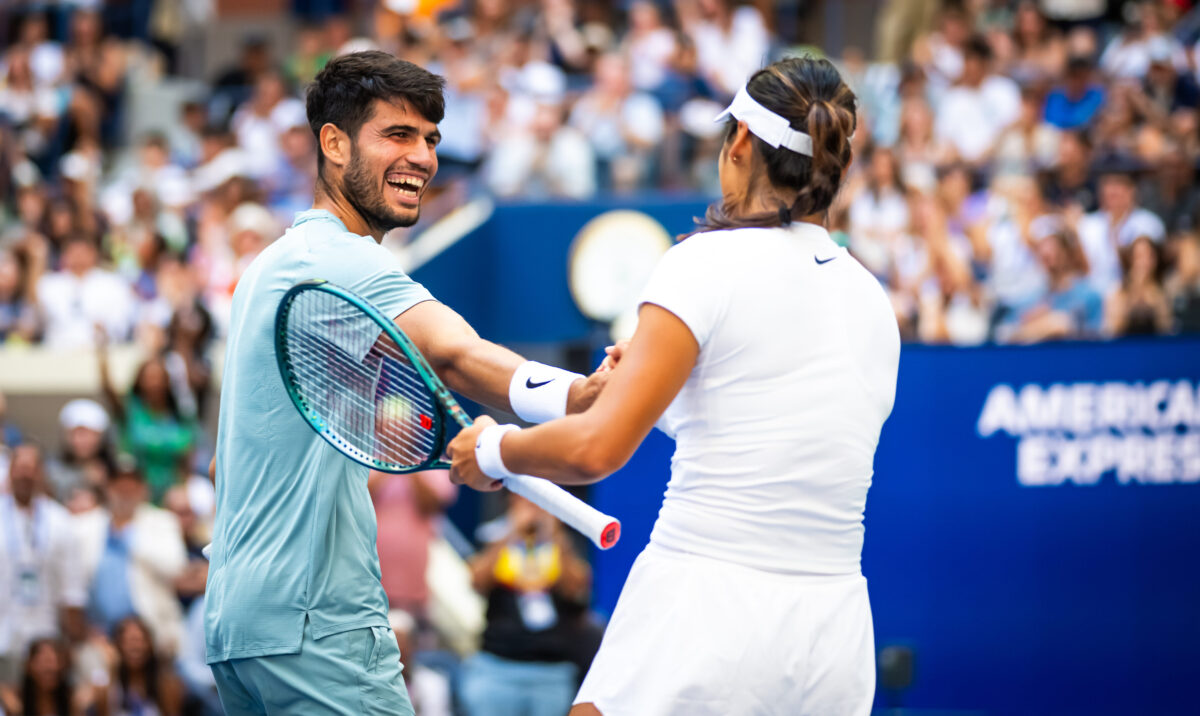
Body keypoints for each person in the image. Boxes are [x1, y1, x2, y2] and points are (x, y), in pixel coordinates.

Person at [448, 56, 899, 715]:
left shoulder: (703, 263)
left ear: (739, 141)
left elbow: (595, 449)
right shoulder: (872, 299)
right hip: (834, 638)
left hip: (706, 606)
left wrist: (494, 451)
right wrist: (652, 385)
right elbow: (755, 416)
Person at [204, 51, 606, 716]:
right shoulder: (340, 257)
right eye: (397, 135)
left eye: (431, 139)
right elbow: (456, 356)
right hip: (316, 625)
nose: (422, 157)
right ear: (334, 144)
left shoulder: (268, 269)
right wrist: (580, 397)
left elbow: (226, 464)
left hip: (239, 626)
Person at [459, 495, 593, 716]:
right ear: (511, 502)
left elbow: (577, 587)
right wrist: (512, 531)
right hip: (497, 669)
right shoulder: (493, 535)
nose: (532, 508)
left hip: (550, 674)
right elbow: (477, 581)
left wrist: (554, 533)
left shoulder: (563, 541)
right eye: (525, 500)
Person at [76, 460, 187, 657]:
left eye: (131, 485)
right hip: (100, 637)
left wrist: (129, 537)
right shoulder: (85, 525)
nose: (125, 491)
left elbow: (176, 567)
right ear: (107, 488)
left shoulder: (162, 521)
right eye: (119, 485)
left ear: (143, 489)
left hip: (151, 633)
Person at [0, 444, 88, 691]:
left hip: (46, 637)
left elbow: (72, 589)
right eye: (20, 467)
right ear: (10, 472)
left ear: (41, 473)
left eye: (31, 468)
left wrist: (72, 643)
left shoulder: (60, 520)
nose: (25, 474)